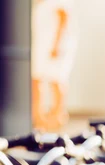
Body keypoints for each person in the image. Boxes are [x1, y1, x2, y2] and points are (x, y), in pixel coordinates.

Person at [31, 0, 77, 131]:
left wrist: (56, 45)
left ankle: (58, 116)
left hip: (54, 46)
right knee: (37, 79)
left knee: (57, 80)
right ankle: (38, 116)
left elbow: (64, 19)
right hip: (41, 45)